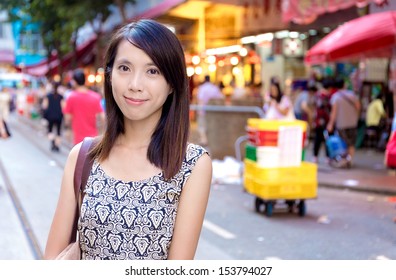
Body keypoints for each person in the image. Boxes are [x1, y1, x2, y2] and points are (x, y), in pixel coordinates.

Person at [44, 19, 212, 260]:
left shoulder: (192, 164)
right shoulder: (83, 157)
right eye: (124, 68)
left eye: (152, 71)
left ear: (173, 84)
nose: (135, 85)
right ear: (110, 75)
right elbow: (52, 260)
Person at [63, 69, 105, 145]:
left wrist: (68, 130)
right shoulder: (96, 97)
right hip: (93, 138)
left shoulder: (71, 97)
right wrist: (101, 133)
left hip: (78, 139)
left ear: (75, 82)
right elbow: (102, 118)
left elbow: (67, 118)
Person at [327, 78, 360, 166]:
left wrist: (330, 124)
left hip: (341, 124)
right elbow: (358, 107)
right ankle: (350, 160)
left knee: (343, 142)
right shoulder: (352, 95)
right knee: (351, 143)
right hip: (352, 123)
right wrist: (355, 116)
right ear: (344, 84)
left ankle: (344, 160)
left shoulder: (335, 97)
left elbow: (334, 112)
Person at [196, 74, 223, 145]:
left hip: (203, 110)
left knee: (202, 126)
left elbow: (200, 99)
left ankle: (204, 140)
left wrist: (199, 110)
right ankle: (210, 140)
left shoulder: (202, 88)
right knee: (211, 126)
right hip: (213, 111)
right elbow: (220, 98)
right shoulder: (214, 88)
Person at [312, 80, 332, 163]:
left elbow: (314, 106)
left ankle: (315, 156)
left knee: (318, 139)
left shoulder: (317, 94)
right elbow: (324, 108)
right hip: (324, 120)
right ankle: (327, 157)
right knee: (326, 139)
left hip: (318, 120)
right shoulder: (326, 96)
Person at [41, 81, 64, 152]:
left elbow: (44, 106)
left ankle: (52, 143)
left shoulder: (48, 96)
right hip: (59, 116)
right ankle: (57, 145)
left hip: (50, 116)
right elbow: (63, 107)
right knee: (58, 131)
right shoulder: (61, 96)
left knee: (50, 130)